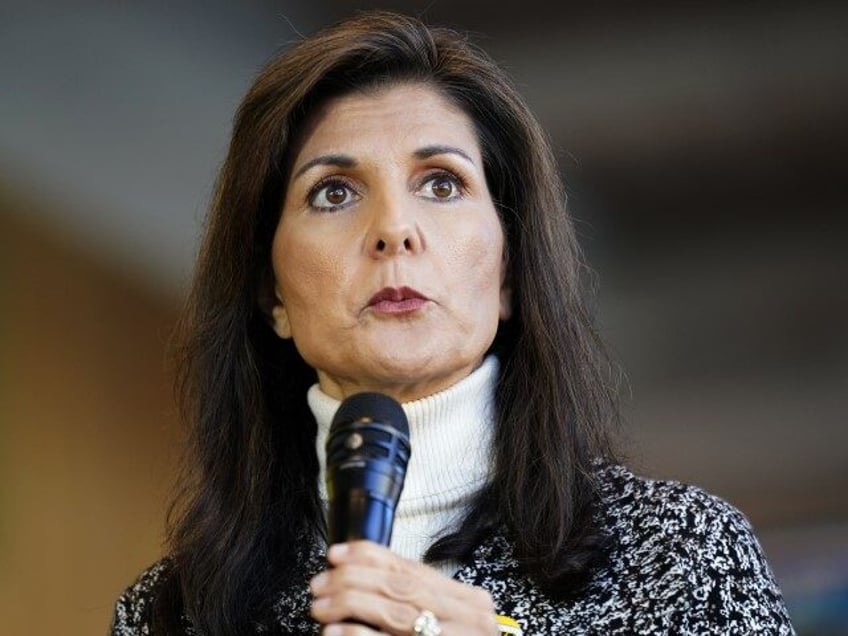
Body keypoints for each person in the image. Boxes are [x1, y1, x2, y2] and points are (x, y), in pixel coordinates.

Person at [110, 10, 794, 636]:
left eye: (442, 183)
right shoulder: (172, 614)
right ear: (271, 293)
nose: (395, 230)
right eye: (334, 192)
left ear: (507, 273)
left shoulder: (679, 555)